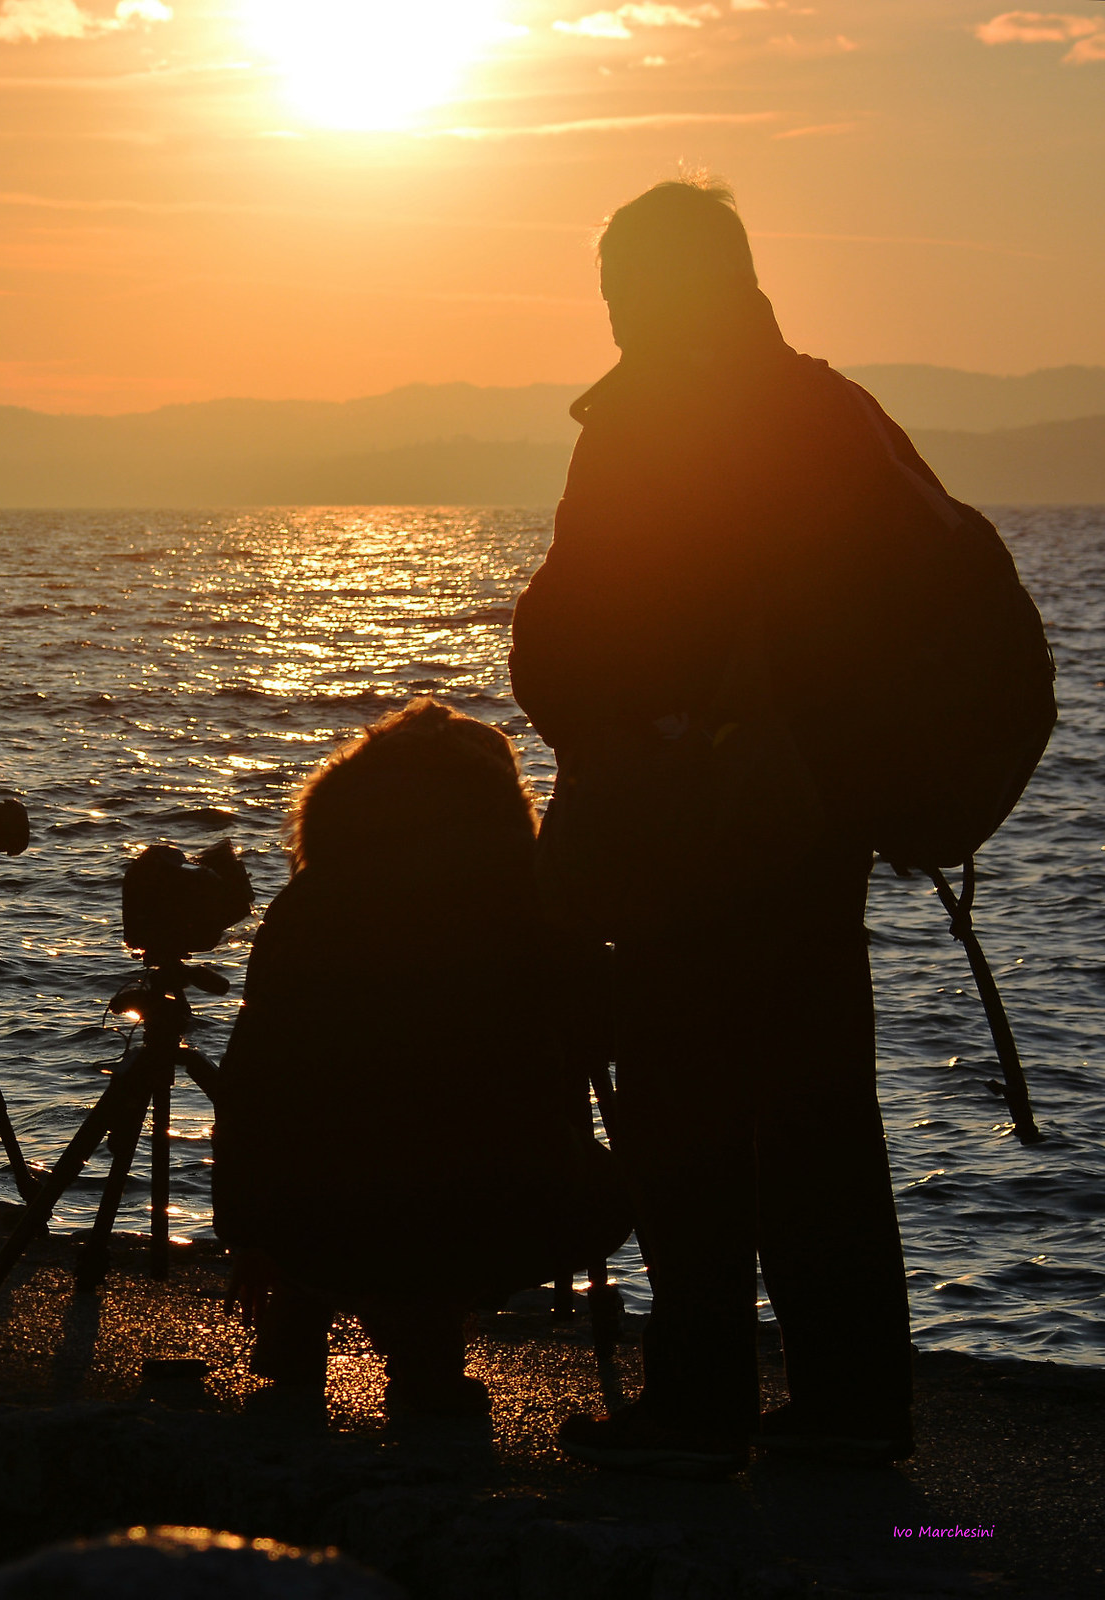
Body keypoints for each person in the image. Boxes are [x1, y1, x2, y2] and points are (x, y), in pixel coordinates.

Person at [512, 177, 919, 1476]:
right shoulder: (835, 416)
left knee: (684, 1119)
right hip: (811, 828)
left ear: (666, 287)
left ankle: (699, 1410)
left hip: (688, 830)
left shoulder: (649, 425)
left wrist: (625, 717)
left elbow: (575, 633)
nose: (616, 315)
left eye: (626, 289)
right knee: (818, 1122)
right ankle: (853, 1416)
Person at [212, 699, 627, 1420]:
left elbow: (252, 1081)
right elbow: (601, 1034)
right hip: (463, 1200)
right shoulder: (522, 909)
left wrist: (250, 1231)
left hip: (308, 1210)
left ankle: (308, 1304)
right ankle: (424, 1342)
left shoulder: (305, 905)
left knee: (354, 1148)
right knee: (579, 1182)